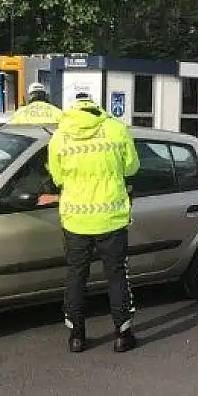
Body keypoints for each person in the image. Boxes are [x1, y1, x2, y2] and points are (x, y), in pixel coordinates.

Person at [45, 92, 141, 353]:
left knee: (76, 275)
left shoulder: (60, 135)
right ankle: (123, 335)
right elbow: (132, 168)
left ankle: (76, 337)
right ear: (97, 107)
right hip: (111, 217)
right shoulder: (116, 129)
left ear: (74, 108)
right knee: (116, 275)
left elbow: (57, 177)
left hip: (76, 218)